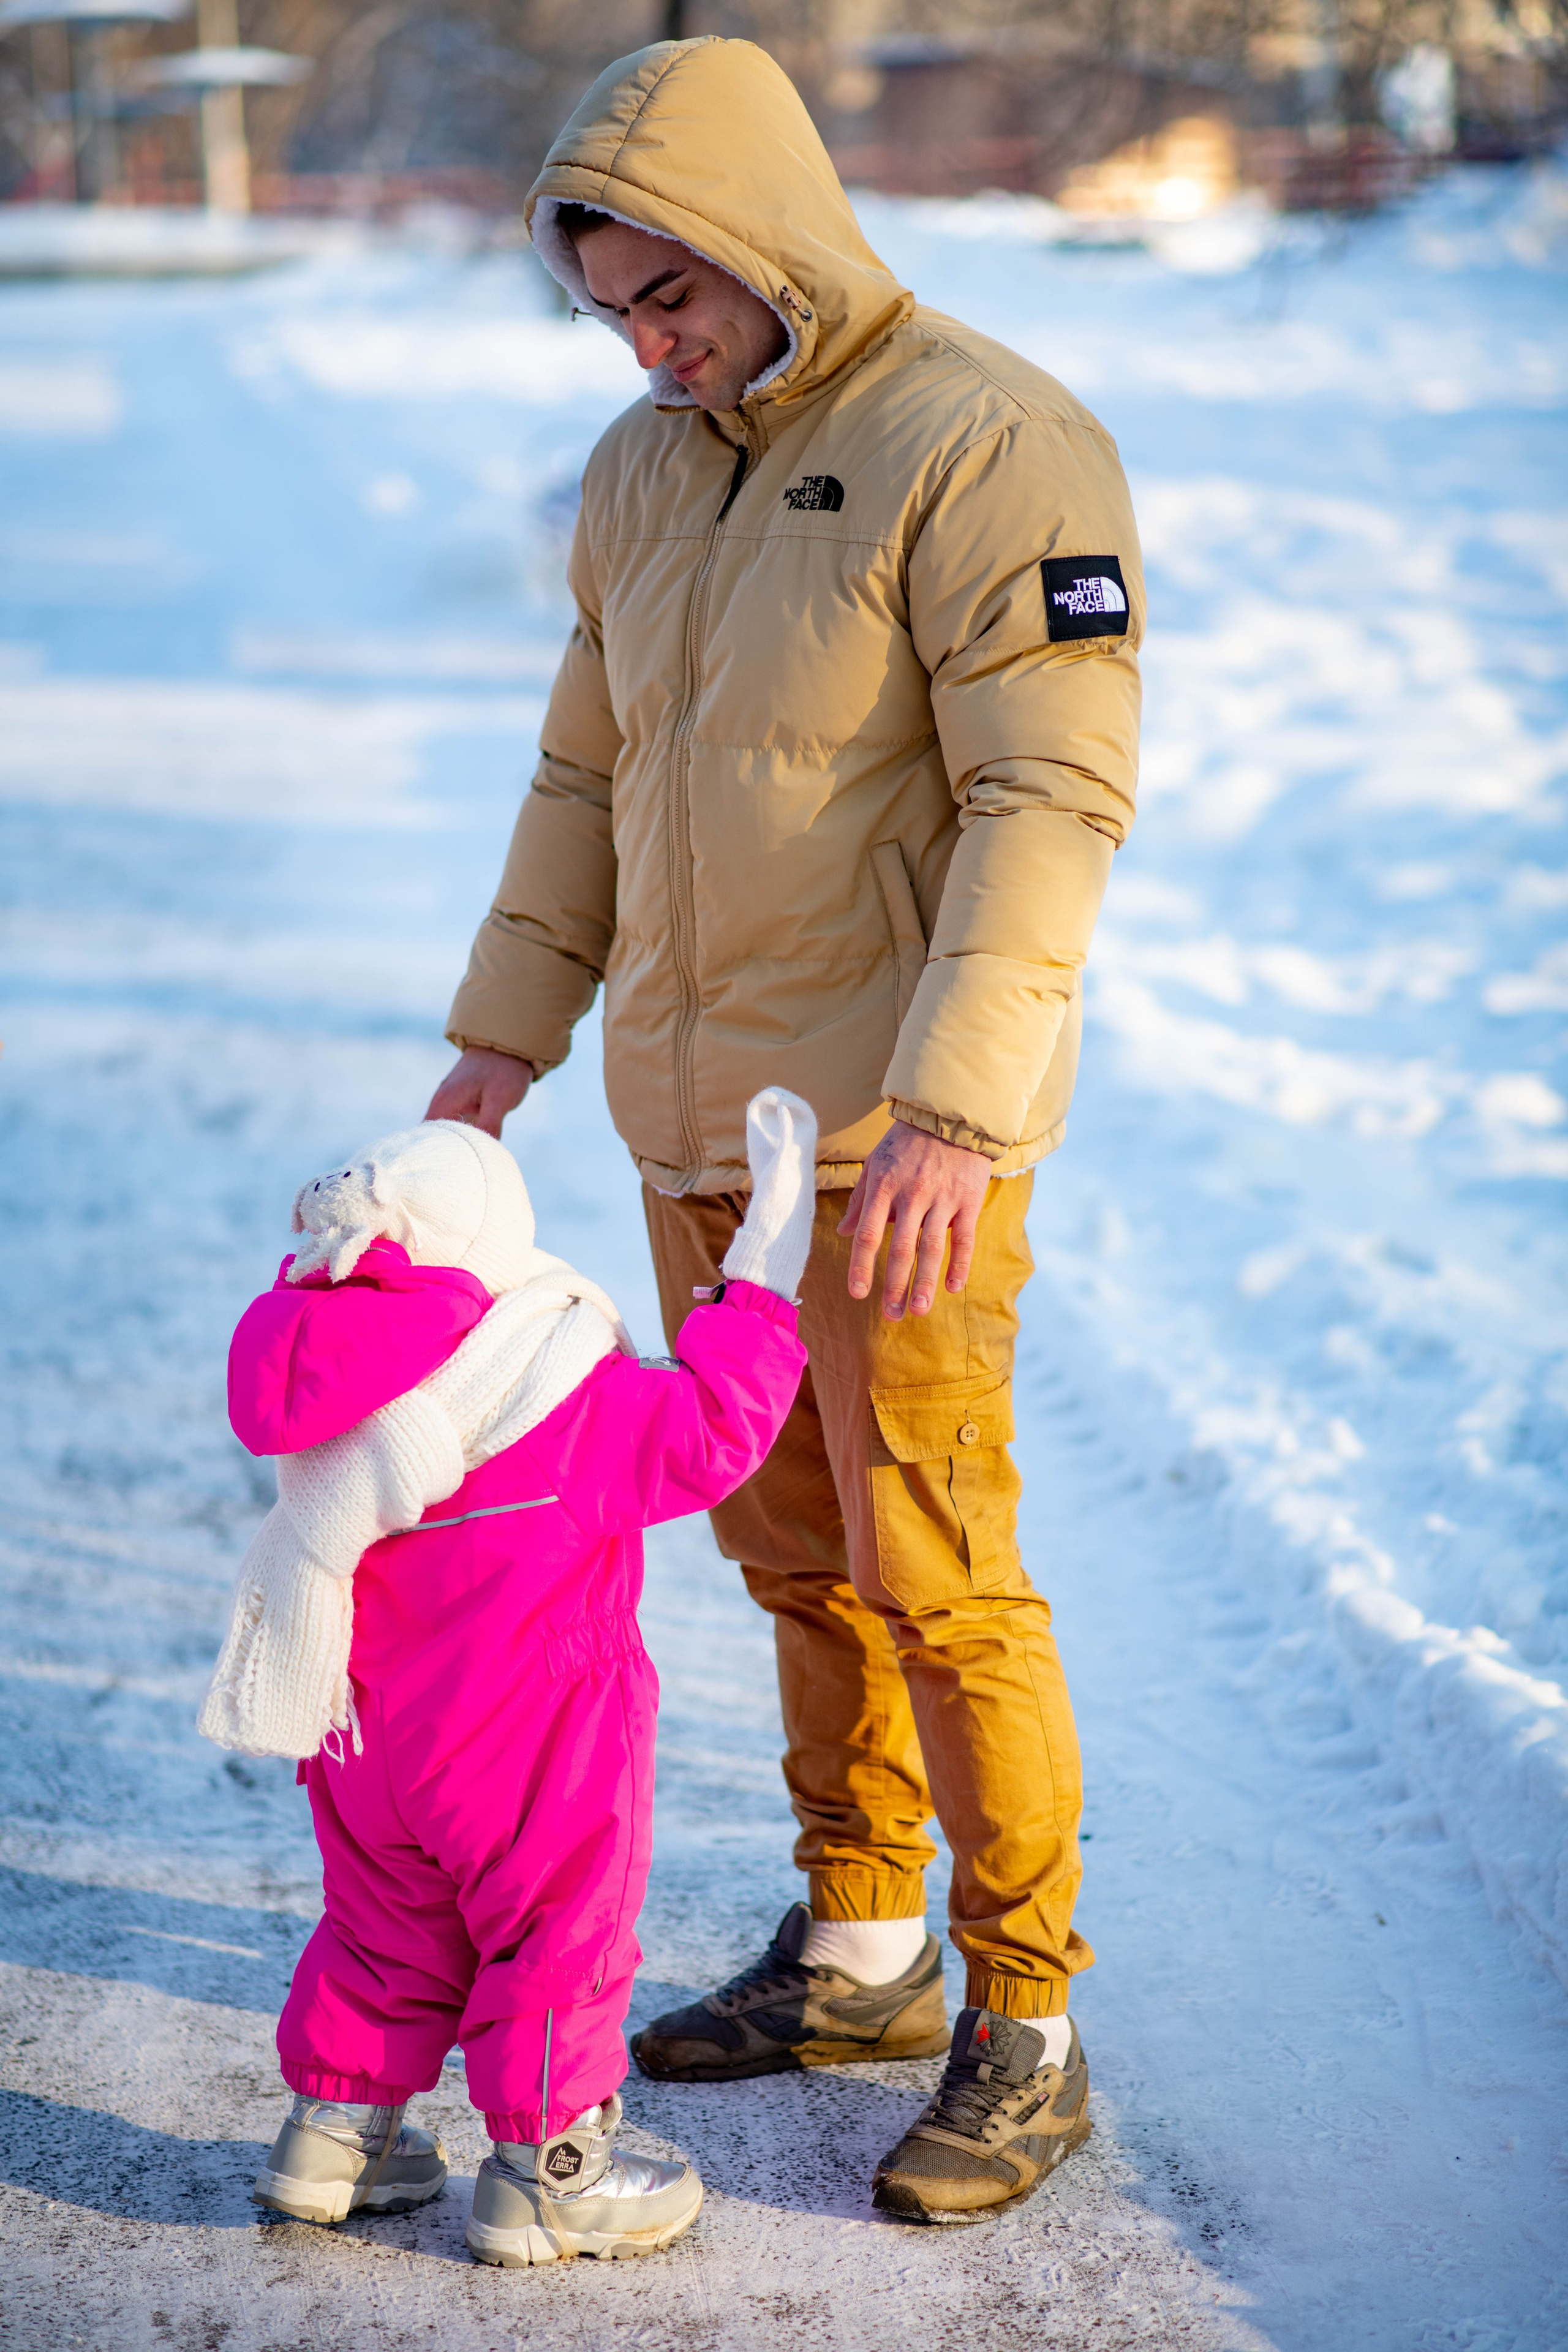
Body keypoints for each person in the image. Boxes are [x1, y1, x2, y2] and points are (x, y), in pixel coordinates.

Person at [429, 34, 1142, 2225]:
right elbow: (586, 782)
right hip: (698, 1127)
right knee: (789, 1551)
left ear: (765, 242)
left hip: (893, 1138)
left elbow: (1051, 794)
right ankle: (860, 1950)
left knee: (939, 1569)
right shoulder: (643, 471)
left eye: (674, 297)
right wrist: (503, 1042)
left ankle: (1028, 2023)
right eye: (614, 310)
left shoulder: (986, 441)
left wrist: (950, 1109)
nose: (649, 344)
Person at [199, 1091, 815, 2263]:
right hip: (539, 1742)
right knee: (555, 1935)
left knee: (381, 1936)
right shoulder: (554, 1390)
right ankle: (554, 2172)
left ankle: (335, 2138)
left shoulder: (338, 1392)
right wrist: (760, 1287)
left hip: (367, 1742)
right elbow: (710, 1427)